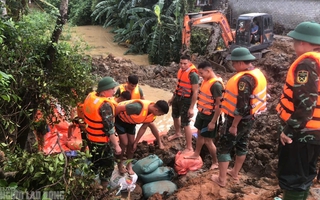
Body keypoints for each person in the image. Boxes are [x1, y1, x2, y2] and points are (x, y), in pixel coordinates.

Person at [276, 21, 320, 200]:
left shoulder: (307, 64)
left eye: (294, 42)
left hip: (302, 132)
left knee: (294, 177)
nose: (293, 46)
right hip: (315, 131)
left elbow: (306, 103)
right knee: (305, 174)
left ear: (302, 42)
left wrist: (290, 130)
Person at [211, 47, 267, 187]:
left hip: (237, 120)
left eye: (234, 63)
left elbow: (242, 106)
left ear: (241, 63)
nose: (233, 66)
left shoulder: (244, 80)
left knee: (224, 147)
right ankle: (234, 173)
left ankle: (221, 179)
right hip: (250, 119)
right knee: (242, 144)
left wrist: (234, 125)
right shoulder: (256, 73)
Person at [83, 76, 122, 188]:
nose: (114, 91)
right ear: (104, 92)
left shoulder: (91, 96)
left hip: (90, 137)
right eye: (112, 89)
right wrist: (117, 146)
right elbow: (109, 129)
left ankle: (92, 180)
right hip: (101, 141)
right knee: (108, 163)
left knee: (94, 159)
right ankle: (104, 184)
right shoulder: (105, 105)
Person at [184, 61, 224, 170]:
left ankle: (215, 162)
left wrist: (212, 122)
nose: (200, 76)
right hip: (202, 113)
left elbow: (219, 105)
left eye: (201, 73)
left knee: (208, 140)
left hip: (210, 116)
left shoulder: (216, 85)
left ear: (208, 71)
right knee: (199, 134)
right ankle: (196, 154)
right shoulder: (207, 80)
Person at [115, 99, 169, 174]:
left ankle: (128, 165)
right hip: (120, 121)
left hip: (130, 123)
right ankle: (120, 165)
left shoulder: (151, 114)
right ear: (156, 110)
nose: (159, 116)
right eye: (160, 114)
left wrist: (136, 142)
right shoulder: (137, 107)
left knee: (132, 145)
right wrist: (112, 121)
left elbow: (143, 128)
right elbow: (119, 108)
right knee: (124, 143)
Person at [115, 75, 164, 149]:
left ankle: (159, 141)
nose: (133, 87)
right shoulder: (120, 89)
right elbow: (116, 100)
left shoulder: (139, 90)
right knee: (124, 141)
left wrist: (146, 111)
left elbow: (143, 100)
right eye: (132, 85)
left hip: (135, 111)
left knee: (151, 123)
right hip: (124, 111)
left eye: (135, 85)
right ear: (127, 82)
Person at [168, 54, 199, 153]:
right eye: (181, 63)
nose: (182, 65)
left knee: (185, 123)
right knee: (175, 116)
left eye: (185, 64)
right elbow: (178, 86)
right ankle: (177, 133)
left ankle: (189, 147)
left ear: (189, 63)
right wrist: (172, 98)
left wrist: (191, 108)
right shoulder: (181, 71)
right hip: (178, 97)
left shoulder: (192, 75)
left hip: (186, 100)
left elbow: (195, 92)